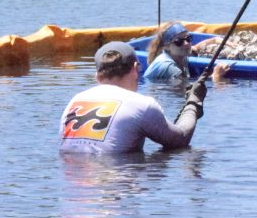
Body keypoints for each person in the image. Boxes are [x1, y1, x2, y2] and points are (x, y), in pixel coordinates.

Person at [59, 41, 207, 153]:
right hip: (118, 183)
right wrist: (193, 103)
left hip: (75, 188)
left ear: (97, 75)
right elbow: (180, 139)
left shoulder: (75, 101)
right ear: (136, 68)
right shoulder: (141, 105)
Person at [144, 21, 228, 82]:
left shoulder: (179, 53)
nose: (186, 44)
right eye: (178, 42)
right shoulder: (169, 67)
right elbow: (188, 89)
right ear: (166, 46)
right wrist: (215, 76)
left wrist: (215, 40)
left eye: (188, 39)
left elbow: (196, 48)